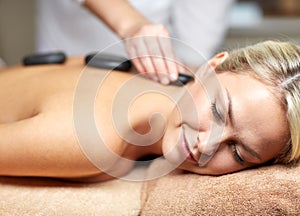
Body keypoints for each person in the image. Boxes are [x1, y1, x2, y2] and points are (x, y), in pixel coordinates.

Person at [0, 40, 299, 182]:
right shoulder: (93, 140)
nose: (205, 146)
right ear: (211, 67)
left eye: (238, 153)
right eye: (219, 111)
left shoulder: (169, 78)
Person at [36, 0, 235, 85]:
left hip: (146, 83)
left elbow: (194, 45)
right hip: (62, 67)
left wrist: (175, 72)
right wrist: (131, 23)